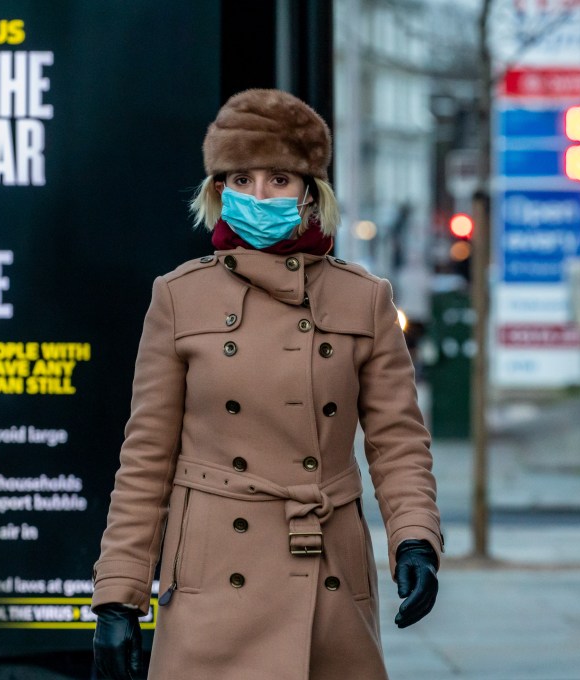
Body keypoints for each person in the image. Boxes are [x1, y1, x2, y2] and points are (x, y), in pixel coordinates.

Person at [91, 89, 442, 680]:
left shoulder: (365, 298)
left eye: (279, 178)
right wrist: (119, 594)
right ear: (219, 190)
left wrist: (414, 540)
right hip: (211, 580)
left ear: (310, 192)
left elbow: (398, 442)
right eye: (242, 179)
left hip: (324, 570)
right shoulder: (179, 297)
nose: (258, 196)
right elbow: (146, 458)